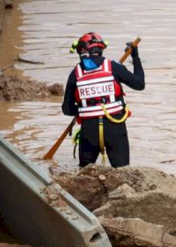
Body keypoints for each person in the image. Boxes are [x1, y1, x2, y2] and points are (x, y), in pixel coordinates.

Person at [61, 32, 144, 168]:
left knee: (86, 174)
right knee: (122, 173)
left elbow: (67, 109)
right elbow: (140, 84)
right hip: (115, 127)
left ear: (83, 50)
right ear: (100, 49)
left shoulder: (75, 73)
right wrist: (135, 56)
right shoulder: (114, 68)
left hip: (89, 131)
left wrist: (84, 109)